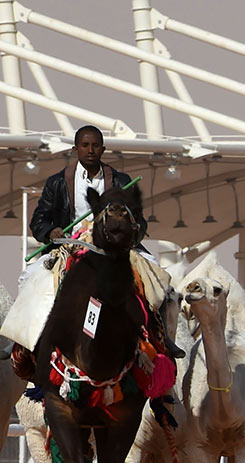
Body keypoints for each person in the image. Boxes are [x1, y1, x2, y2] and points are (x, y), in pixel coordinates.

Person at [20, 125, 182, 359]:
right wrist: (50, 232)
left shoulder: (121, 181)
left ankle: (163, 338)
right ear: (75, 149)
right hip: (70, 246)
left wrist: (131, 234)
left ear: (103, 149)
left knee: (159, 280)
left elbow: (140, 221)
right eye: (85, 145)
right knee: (28, 278)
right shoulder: (56, 183)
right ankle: (24, 341)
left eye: (95, 145)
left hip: (117, 249)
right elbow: (38, 221)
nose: (90, 150)